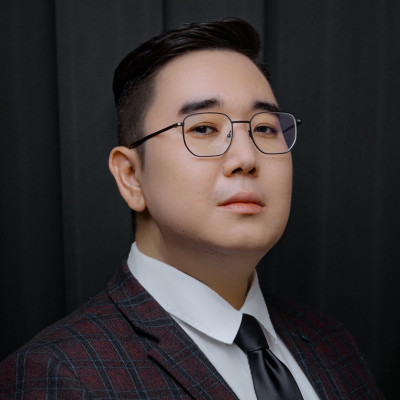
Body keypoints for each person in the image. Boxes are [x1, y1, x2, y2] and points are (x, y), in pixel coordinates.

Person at [0, 18, 383, 399]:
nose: (246, 158)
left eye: (264, 128)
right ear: (131, 176)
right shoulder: (60, 375)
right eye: (203, 128)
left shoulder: (332, 342)